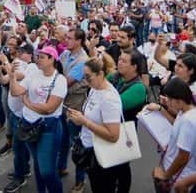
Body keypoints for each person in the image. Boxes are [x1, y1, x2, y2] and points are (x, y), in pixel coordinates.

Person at [9, 46, 67, 193]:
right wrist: (11, 76)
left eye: (42, 57)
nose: (38, 59)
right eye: (37, 56)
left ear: (52, 59)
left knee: (47, 170)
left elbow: (49, 108)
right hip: (29, 126)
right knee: (38, 165)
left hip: (48, 128)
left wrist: (28, 104)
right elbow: (16, 92)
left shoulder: (60, 80)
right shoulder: (34, 75)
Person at [67, 58, 123, 193]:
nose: (85, 81)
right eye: (84, 77)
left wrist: (84, 121)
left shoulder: (109, 98)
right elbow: (93, 116)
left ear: (101, 74)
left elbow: (113, 135)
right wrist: (78, 117)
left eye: (88, 77)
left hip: (102, 155)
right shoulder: (94, 89)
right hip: (91, 150)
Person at [147, 78, 196, 192]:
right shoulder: (189, 110)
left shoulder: (189, 121)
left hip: (181, 177)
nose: (168, 102)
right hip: (180, 172)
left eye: (170, 99)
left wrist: (166, 176)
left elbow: (183, 157)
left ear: (180, 100)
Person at [106, 51, 148, 192]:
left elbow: (115, 106)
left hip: (124, 133)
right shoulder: (115, 76)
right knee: (107, 167)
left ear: (134, 66)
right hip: (107, 129)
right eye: (119, 59)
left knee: (120, 167)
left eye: (124, 61)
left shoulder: (138, 88)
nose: (119, 63)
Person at [57, 28, 89, 192]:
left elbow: (65, 82)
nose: (66, 40)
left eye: (69, 38)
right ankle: (61, 167)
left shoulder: (83, 60)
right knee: (63, 140)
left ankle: (80, 180)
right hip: (63, 105)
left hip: (74, 108)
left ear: (79, 41)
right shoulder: (64, 55)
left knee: (78, 144)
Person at [2, 44, 37, 193]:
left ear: (29, 55)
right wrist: (0, 68)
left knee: (18, 148)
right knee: (21, 147)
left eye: (21, 52)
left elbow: (18, 77)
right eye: (18, 52)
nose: (18, 55)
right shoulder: (17, 64)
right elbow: (4, 80)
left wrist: (6, 63)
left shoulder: (32, 67)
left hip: (24, 116)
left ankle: (19, 177)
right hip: (15, 113)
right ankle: (24, 169)